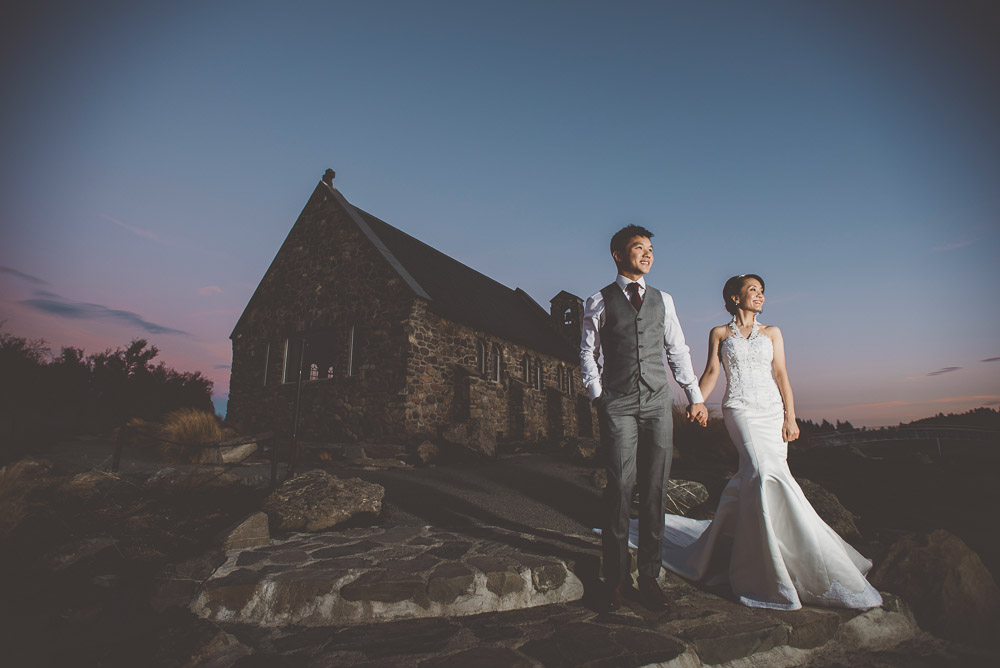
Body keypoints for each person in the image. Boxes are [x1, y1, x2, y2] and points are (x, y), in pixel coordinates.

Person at [656, 274, 883, 610]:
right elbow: (713, 372)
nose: (760, 296)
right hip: (740, 409)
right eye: (753, 290)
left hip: (772, 411)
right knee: (763, 473)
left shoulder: (773, 333)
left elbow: (781, 375)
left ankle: (770, 552)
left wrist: (791, 417)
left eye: (762, 291)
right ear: (735, 298)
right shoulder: (719, 333)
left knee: (762, 476)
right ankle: (762, 571)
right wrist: (697, 401)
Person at [580, 225, 707, 612]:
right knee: (619, 486)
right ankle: (615, 578)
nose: (648, 254)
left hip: (657, 402)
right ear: (618, 255)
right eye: (639, 248)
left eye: (651, 248)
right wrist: (598, 396)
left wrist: (695, 397)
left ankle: (650, 578)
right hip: (617, 403)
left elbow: (677, 350)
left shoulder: (664, 300)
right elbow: (588, 353)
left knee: (655, 489)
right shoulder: (598, 300)